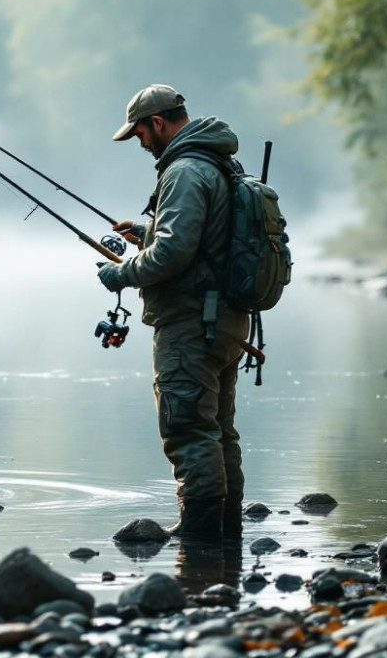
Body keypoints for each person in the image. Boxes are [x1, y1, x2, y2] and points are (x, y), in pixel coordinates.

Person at [96, 83, 249, 543]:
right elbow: (205, 240)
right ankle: (227, 537)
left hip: (190, 326)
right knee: (219, 431)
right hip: (224, 321)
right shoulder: (217, 161)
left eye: (140, 133)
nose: (140, 143)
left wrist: (120, 274)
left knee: (188, 428)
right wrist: (147, 230)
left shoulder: (183, 170)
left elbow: (175, 254)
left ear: (157, 123)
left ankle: (201, 540)